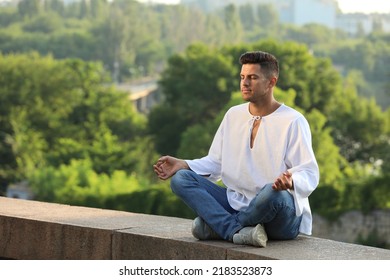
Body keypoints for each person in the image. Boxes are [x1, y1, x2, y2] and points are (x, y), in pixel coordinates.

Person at [153, 51, 319, 247]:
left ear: (271, 82)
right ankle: (236, 231)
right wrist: (184, 164)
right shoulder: (233, 115)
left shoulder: (293, 121)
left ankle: (220, 227)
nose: (245, 83)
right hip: (236, 204)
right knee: (181, 179)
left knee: (271, 193)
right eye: (242, 77)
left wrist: (292, 181)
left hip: (278, 214)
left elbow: (309, 172)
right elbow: (216, 162)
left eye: (253, 77)